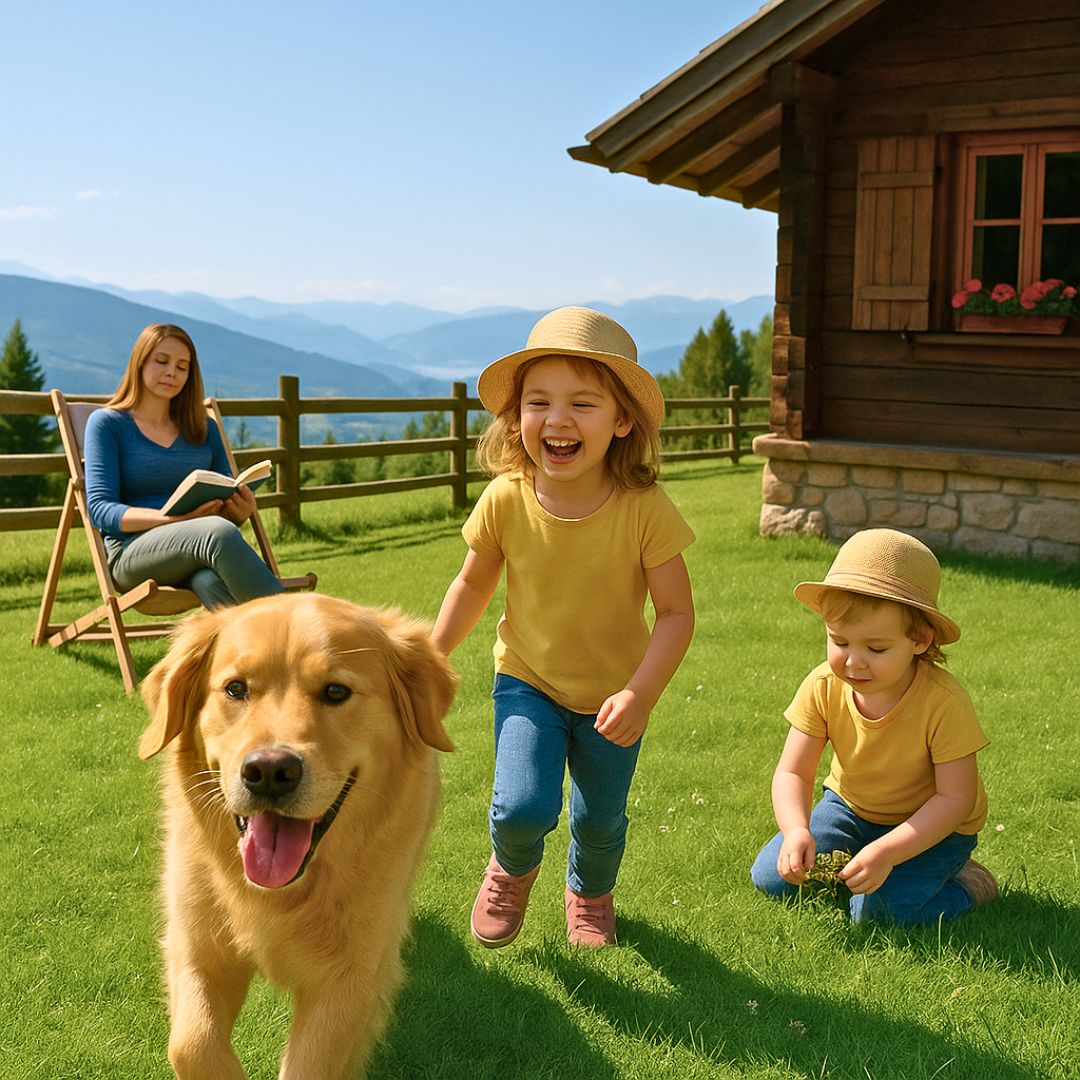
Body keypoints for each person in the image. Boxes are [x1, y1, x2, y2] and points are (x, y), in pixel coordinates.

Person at [432, 306, 695, 949]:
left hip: (615, 694)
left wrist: (640, 693)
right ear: (517, 416)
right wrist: (429, 653)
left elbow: (677, 614)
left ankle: (589, 894)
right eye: (538, 402)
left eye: (582, 404)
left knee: (600, 819)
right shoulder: (504, 499)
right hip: (529, 679)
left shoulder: (644, 509)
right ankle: (512, 868)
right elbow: (472, 583)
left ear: (622, 421)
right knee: (522, 808)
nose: (557, 420)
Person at [750, 528, 997, 924]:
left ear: (919, 640)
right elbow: (792, 770)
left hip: (932, 827)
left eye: (876, 648)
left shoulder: (943, 702)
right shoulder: (823, 686)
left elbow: (955, 800)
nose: (853, 661)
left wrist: (889, 851)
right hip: (850, 808)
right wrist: (796, 829)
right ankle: (863, 871)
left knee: (876, 914)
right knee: (772, 877)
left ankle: (968, 883)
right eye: (839, 641)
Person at [83, 323, 285, 609]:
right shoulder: (107, 424)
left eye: (182, 367)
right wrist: (171, 520)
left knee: (210, 584)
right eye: (162, 361)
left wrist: (238, 510)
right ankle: (294, 625)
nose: (172, 373)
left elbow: (223, 494)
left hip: (197, 548)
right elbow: (101, 509)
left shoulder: (205, 429)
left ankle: (256, 653)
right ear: (139, 363)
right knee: (217, 532)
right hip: (132, 551)